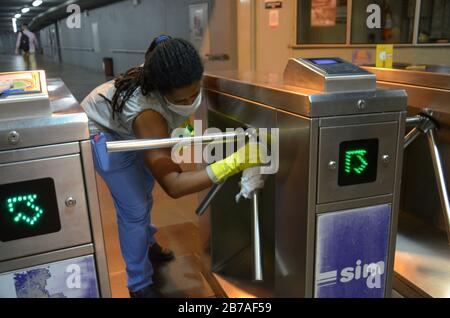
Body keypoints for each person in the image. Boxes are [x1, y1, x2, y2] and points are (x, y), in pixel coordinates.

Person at [81, 36, 265, 298]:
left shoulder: (177, 73)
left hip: (128, 124)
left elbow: (162, 43)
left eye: (195, 92)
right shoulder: (148, 116)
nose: (190, 101)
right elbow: (174, 186)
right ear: (160, 91)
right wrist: (234, 162)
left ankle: (147, 244)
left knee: (144, 189)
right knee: (134, 207)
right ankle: (138, 283)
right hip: (104, 132)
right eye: (181, 100)